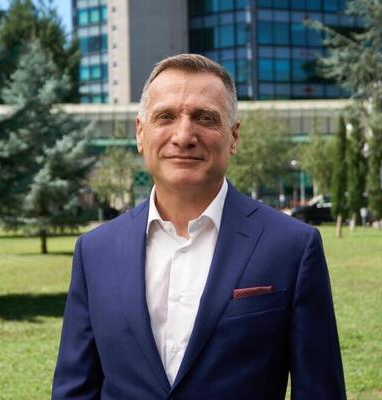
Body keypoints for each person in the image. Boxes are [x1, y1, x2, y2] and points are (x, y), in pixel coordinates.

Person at [52, 54, 346, 399]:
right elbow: (75, 390)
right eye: (165, 117)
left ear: (233, 136)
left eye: (205, 118)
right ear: (140, 132)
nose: (184, 135)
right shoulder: (94, 251)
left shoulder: (292, 247)